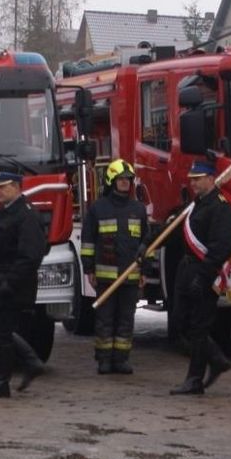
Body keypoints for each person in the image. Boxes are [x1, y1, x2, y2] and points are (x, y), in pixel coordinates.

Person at [0, 168, 47, 398]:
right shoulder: (6, 212)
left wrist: (11, 282)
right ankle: (31, 361)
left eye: (2, 187)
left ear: (16, 187)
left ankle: (1, 382)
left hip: (11, 282)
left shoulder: (26, 216)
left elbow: (31, 256)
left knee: (3, 332)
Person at [169, 160, 231, 396]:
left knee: (199, 326)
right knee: (180, 322)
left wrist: (205, 276)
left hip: (204, 271)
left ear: (211, 178)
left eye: (197, 179)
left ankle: (194, 379)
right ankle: (216, 359)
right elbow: (174, 230)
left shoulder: (221, 208)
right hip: (186, 271)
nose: (193, 183)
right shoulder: (194, 205)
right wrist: (147, 242)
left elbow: (223, 247)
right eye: (192, 179)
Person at [81, 159, 148, 375]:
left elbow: (147, 242)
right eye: (121, 180)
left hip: (130, 276)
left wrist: (144, 271)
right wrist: (89, 269)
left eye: (128, 180)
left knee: (126, 320)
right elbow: (88, 241)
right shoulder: (98, 208)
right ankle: (104, 360)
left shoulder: (138, 209)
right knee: (105, 320)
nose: (125, 183)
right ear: (111, 180)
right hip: (105, 275)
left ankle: (121, 360)